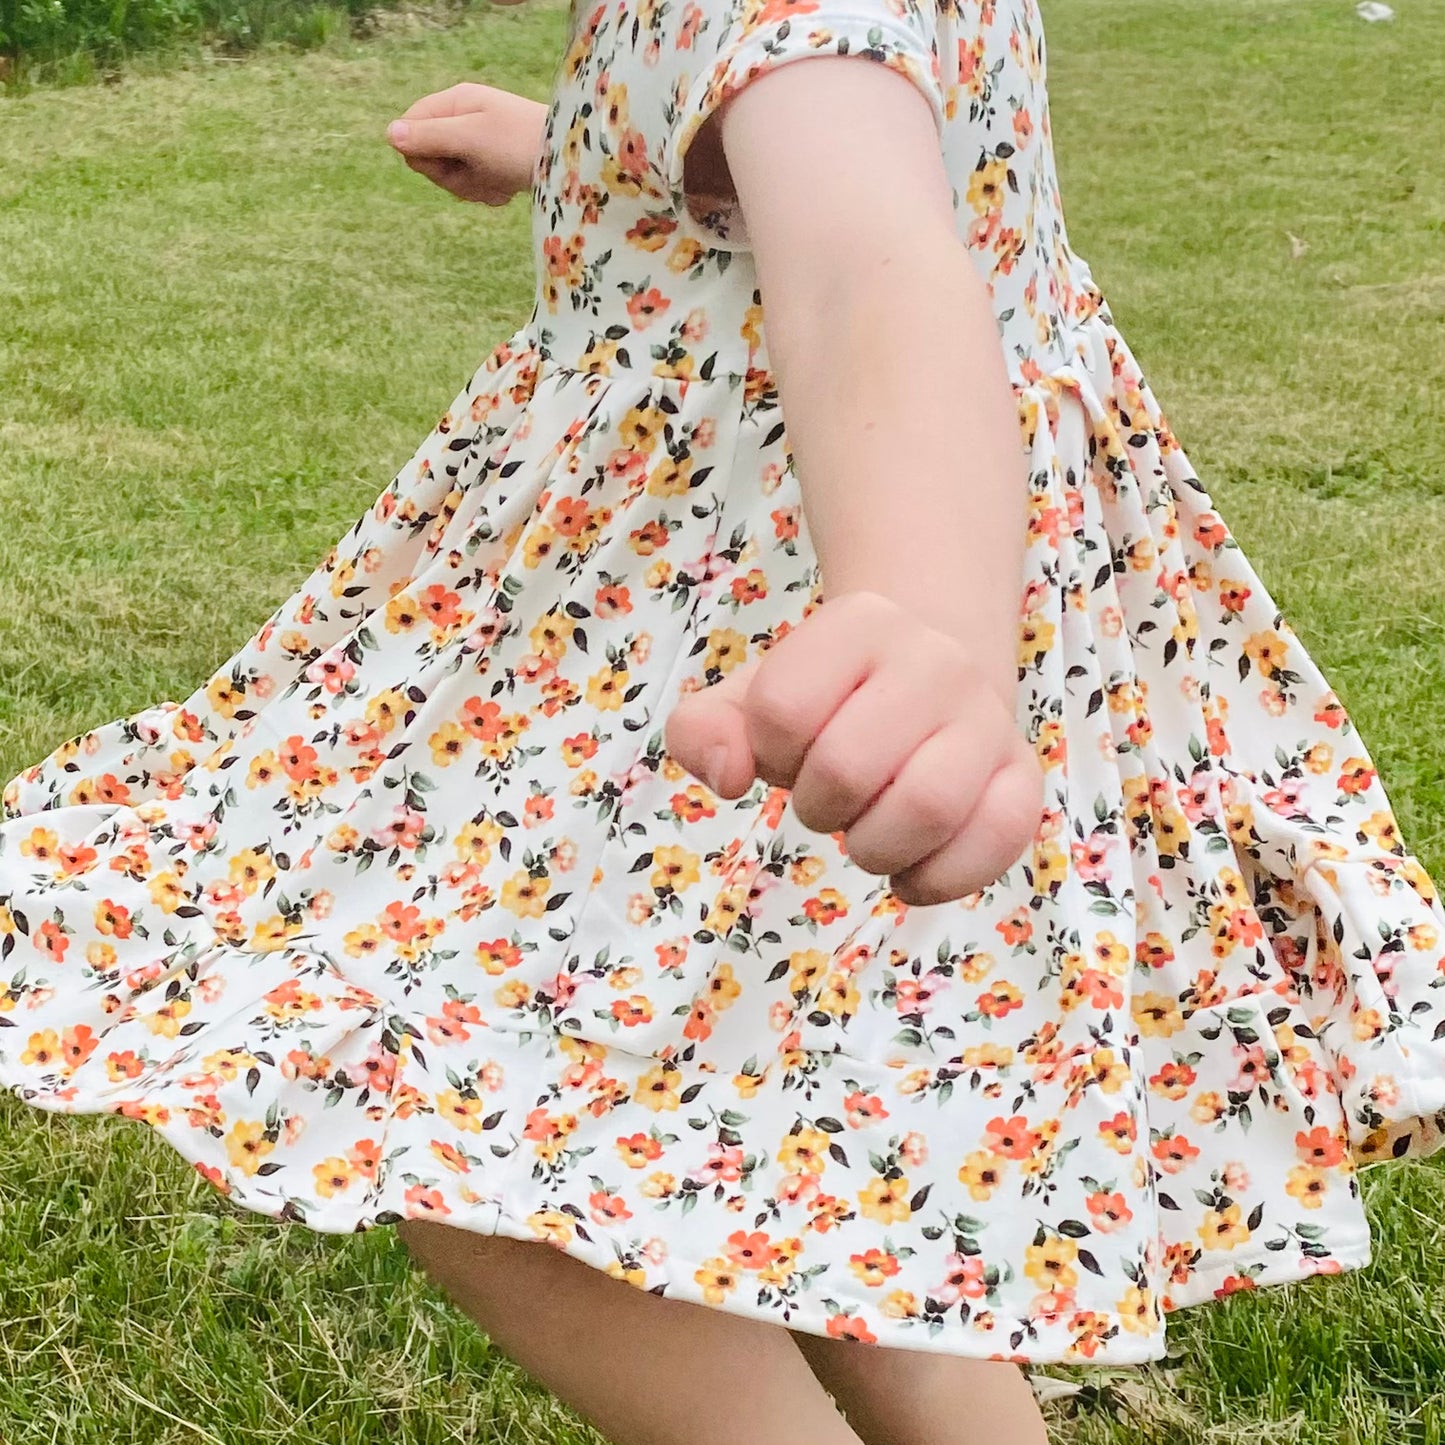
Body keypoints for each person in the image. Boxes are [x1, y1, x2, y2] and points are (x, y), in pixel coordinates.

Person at [3, 1, 1443, 1442]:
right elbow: (810, 155)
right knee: (820, 1135)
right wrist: (579, 150)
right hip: (767, 644)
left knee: (458, 1114)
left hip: (745, 656)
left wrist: (922, 615)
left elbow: (868, 273)